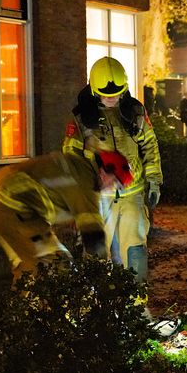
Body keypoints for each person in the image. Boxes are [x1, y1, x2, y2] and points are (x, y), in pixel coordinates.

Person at [63, 56, 163, 286]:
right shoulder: (81, 119)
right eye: (106, 94)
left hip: (132, 194)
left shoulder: (135, 112)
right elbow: (71, 158)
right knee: (96, 253)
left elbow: (149, 145)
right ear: (94, 90)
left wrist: (154, 180)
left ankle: (136, 304)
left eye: (117, 93)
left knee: (135, 249)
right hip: (99, 198)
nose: (112, 98)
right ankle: (98, 308)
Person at [0, 149, 133, 282]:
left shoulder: (78, 166)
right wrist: (101, 276)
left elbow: (56, 190)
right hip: (10, 203)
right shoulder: (87, 183)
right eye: (113, 183)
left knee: (28, 265)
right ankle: (38, 314)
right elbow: (94, 236)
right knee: (54, 264)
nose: (110, 189)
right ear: (104, 171)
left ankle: (27, 312)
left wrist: (71, 219)